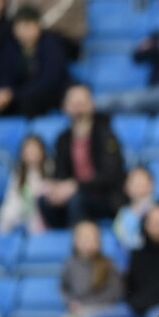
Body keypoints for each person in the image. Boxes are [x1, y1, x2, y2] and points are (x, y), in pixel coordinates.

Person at [39, 84, 127, 229]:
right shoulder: (63, 139)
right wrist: (58, 188)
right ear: (64, 106)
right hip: (74, 194)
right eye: (74, 103)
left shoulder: (106, 133)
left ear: (92, 104)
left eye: (82, 103)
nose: (78, 108)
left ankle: (79, 243)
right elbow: (60, 173)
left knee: (77, 200)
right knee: (45, 200)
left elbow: (110, 175)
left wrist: (76, 186)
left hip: (106, 197)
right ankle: (57, 242)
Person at [55, 220, 124, 317]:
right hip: (77, 310)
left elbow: (114, 293)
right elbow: (64, 288)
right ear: (76, 241)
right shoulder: (70, 264)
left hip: (102, 309)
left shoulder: (107, 264)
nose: (88, 242)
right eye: (83, 238)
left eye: (91, 238)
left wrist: (87, 306)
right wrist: (71, 303)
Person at [0, 4, 71, 118]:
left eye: (28, 25)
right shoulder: (10, 47)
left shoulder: (51, 44)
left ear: (38, 26)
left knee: (29, 102)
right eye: (20, 26)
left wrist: (13, 94)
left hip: (49, 95)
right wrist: (2, 94)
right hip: (19, 95)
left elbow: (49, 80)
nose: (24, 31)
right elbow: (4, 76)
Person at [5, 0, 87, 60]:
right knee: (7, 43)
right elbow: (15, 7)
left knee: (48, 45)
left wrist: (35, 28)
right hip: (26, 33)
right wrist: (22, 27)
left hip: (63, 37)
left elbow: (62, 10)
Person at [0, 134, 51, 235]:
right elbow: (11, 199)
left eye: (35, 149)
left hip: (43, 217)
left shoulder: (50, 169)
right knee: (6, 215)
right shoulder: (18, 174)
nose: (31, 153)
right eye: (28, 150)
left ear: (42, 151)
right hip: (22, 214)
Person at [111, 165, 157, 252]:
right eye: (133, 180)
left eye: (141, 180)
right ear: (126, 186)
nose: (137, 183)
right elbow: (121, 239)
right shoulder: (122, 213)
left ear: (151, 184)